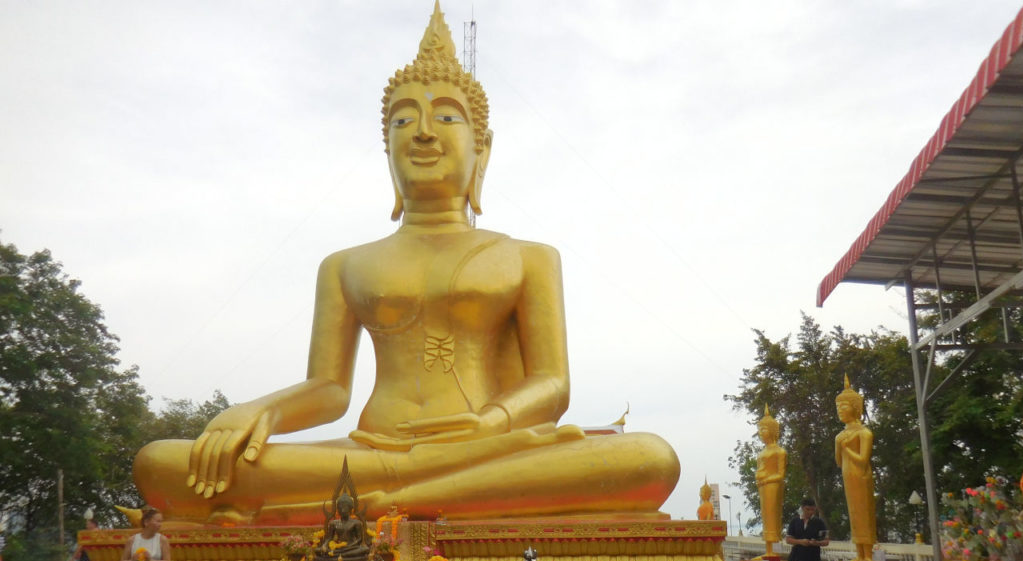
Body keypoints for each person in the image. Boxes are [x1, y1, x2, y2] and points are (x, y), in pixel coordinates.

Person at [131, 1, 679, 528]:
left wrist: (490, 424)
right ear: (385, 148)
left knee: (649, 458)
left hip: (486, 448)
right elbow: (328, 390)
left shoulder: (527, 257)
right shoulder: (345, 264)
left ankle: (372, 506)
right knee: (162, 463)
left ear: (481, 148)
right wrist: (261, 411)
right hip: (369, 451)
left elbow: (552, 384)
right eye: (401, 120)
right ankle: (412, 495)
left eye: (446, 115)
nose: (422, 131)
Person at [835, 375, 877, 561]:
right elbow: (838, 462)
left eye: (843, 406)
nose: (840, 411)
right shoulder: (840, 436)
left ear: (855, 407)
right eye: (838, 407)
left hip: (861, 476)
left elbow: (862, 460)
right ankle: (859, 554)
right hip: (848, 476)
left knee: (864, 512)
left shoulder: (864, 433)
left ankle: (868, 555)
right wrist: (840, 447)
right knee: (853, 514)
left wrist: (847, 449)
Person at [755, 405, 787, 556]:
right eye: (760, 429)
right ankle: (768, 550)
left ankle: (774, 551)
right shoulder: (762, 453)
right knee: (766, 518)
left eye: (764, 429)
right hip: (763, 486)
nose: (761, 433)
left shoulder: (779, 451)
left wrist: (766, 479)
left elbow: (780, 474)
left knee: (773, 517)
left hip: (772, 485)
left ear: (773, 430)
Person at [319, 493, 370, 561]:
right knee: (318, 551)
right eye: (340, 507)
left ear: (350, 509)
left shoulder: (356, 523)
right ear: (337, 509)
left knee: (365, 549)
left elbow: (359, 540)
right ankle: (339, 558)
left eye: (345, 507)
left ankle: (341, 559)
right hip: (337, 548)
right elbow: (329, 538)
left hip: (351, 548)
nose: (342, 509)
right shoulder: (334, 523)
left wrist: (348, 546)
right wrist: (324, 545)